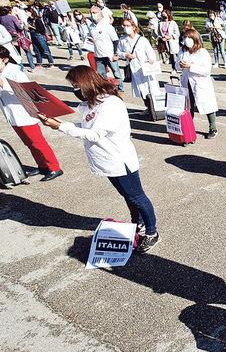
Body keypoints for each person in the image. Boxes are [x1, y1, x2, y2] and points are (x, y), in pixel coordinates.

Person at [40, 65, 160, 251]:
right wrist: (57, 122)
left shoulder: (111, 104)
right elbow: (84, 126)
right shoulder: (92, 102)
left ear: (86, 83)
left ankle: (152, 232)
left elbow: (95, 134)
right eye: (72, 86)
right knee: (128, 196)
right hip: (108, 160)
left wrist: (61, 127)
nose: (74, 90)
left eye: (75, 86)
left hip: (120, 160)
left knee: (137, 197)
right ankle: (139, 223)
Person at [0, 47, 63, 181]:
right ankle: (42, 166)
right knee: (29, 143)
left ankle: (54, 167)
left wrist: (3, 84)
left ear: (4, 60)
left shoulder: (15, 72)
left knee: (38, 142)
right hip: (12, 114)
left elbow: (27, 92)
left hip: (24, 114)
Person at [176, 29, 219, 139]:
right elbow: (176, 66)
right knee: (188, 107)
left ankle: (213, 128)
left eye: (189, 38)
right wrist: (180, 65)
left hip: (200, 84)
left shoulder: (202, 52)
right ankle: (188, 129)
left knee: (207, 105)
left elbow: (206, 71)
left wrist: (191, 66)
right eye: (185, 37)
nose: (186, 40)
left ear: (195, 39)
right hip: (187, 83)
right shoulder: (183, 51)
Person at [117, 18, 161, 118]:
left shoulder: (142, 40)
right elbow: (119, 52)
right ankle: (148, 107)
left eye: (127, 26)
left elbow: (151, 53)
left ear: (133, 27)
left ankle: (155, 108)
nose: (125, 28)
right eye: (124, 26)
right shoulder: (123, 40)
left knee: (151, 88)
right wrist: (126, 55)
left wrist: (151, 60)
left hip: (145, 68)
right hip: (134, 69)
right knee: (141, 89)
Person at [89, 5, 123, 91]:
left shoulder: (107, 26)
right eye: (91, 13)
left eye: (94, 13)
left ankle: (120, 89)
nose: (92, 14)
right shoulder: (92, 27)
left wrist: (115, 54)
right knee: (101, 74)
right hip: (98, 55)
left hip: (109, 54)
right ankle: (105, 88)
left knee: (116, 73)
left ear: (100, 14)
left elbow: (116, 41)